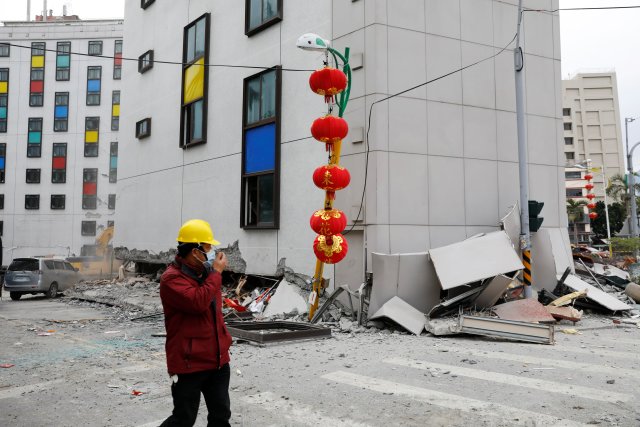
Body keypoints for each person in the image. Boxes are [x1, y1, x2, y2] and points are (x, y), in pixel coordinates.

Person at [159, 219, 232, 427]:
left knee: (220, 416)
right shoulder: (171, 279)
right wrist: (216, 273)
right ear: (194, 251)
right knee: (183, 419)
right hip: (188, 362)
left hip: (217, 360)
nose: (212, 251)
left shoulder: (206, 274)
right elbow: (198, 302)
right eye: (208, 247)